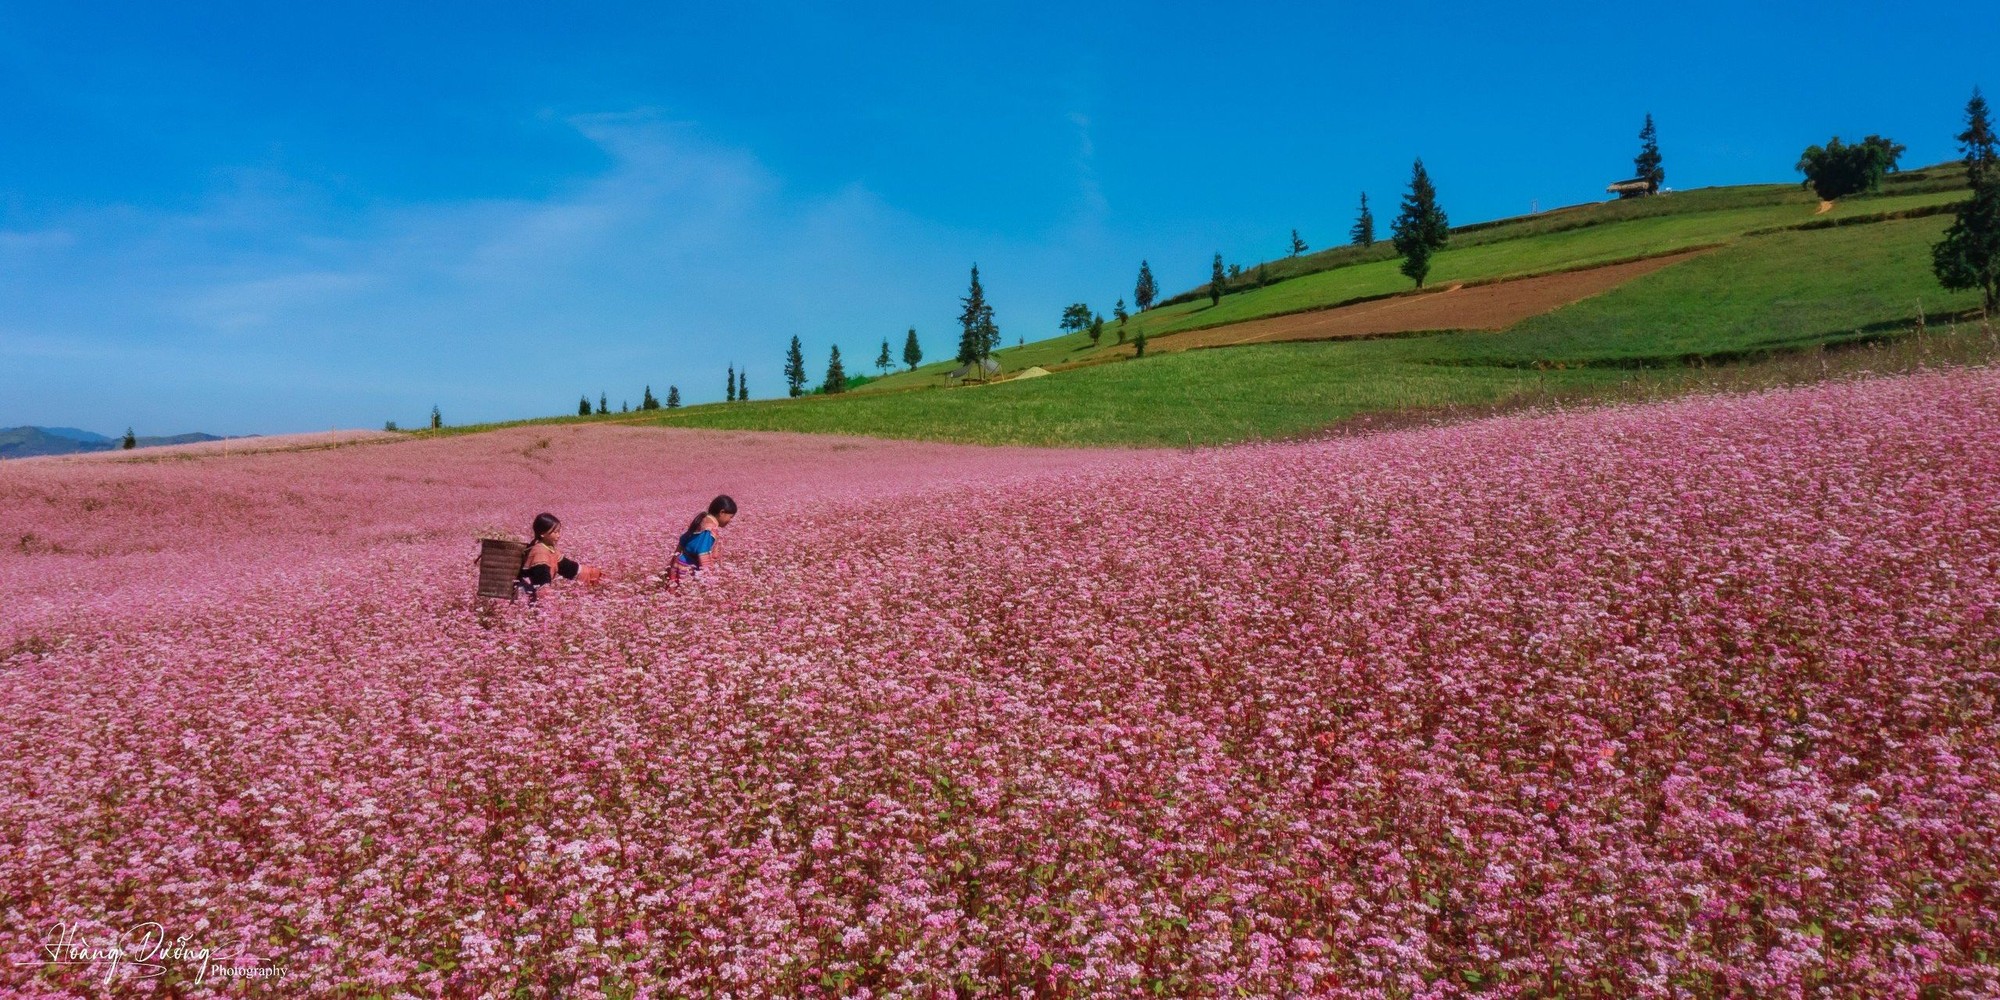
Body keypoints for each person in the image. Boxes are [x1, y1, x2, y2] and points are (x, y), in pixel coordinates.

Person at [517, 512, 602, 600]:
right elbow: (541, 580)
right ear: (542, 534)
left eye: (559, 531)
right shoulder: (540, 552)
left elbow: (568, 568)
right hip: (527, 596)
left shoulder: (548, 549)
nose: (558, 535)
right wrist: (548, 598)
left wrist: (594, 574)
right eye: (555, 532)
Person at [671, 495, 737, 581]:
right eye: (730, 517)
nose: (731, 520)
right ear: (722, 512)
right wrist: (709, 576)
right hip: (688, 568)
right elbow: (703, 552)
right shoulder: (710, 528)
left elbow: (683, 540)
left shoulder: (703, 520)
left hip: (681, 563)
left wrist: (672, 563)